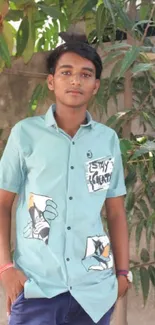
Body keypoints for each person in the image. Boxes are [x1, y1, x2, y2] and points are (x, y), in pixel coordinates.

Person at [0, 34, 130, 325]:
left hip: (94, 293)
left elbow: (116, 212)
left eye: (85, 75)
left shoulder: (107, 140)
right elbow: (2, 204)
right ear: (51, 81)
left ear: (95, 86)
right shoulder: (25, 134)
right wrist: (5, 268)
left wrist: (122, 274)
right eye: (66, 72)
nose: (75, 81)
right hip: (36, 288)